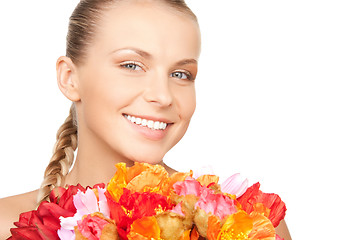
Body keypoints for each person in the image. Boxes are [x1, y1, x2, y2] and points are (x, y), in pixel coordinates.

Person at [0, 0, 291, 239]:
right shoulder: (7, 226)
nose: (163, 96)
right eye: (132, 65)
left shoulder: (248, 224)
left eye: (181, 74)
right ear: (70, 78)